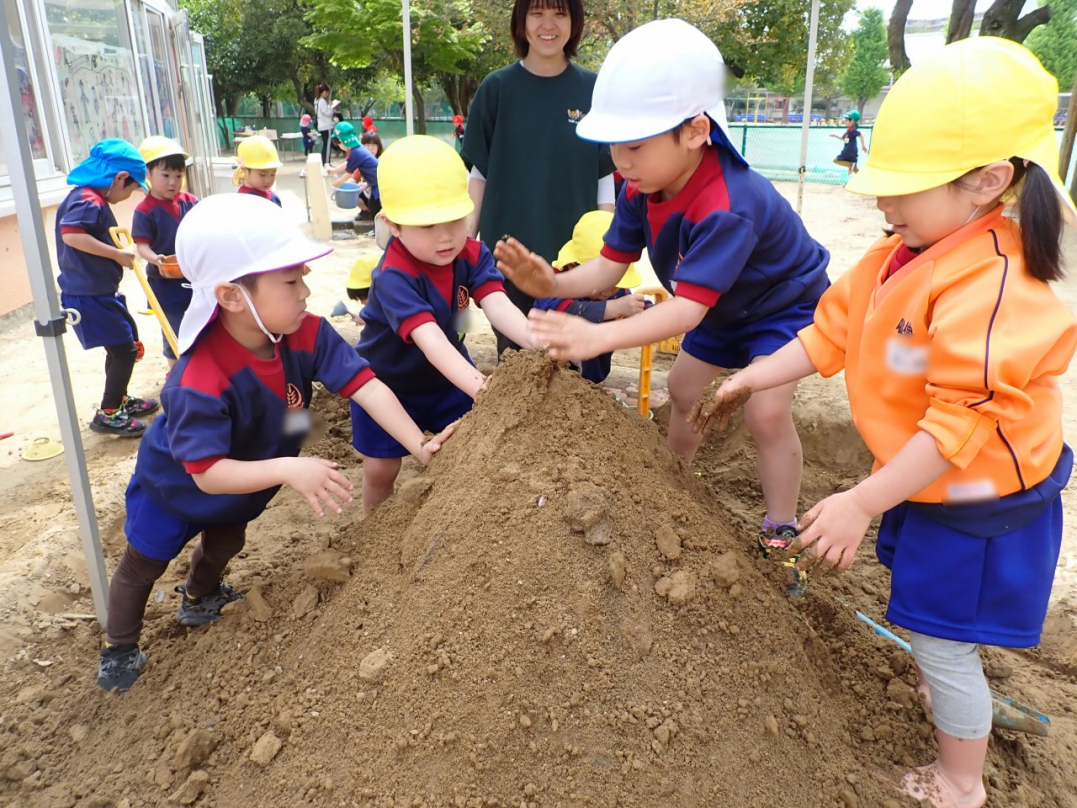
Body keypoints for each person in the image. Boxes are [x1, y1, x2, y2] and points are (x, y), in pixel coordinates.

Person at [691, 38, 1077, 808]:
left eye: (902, 188)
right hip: (924, 481)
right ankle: (951, 680)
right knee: (933, 615)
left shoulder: (994, 285)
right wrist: (752, 377)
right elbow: (827, 334)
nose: (882, 203)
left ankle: (959, 781)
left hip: (980, 503)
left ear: (986, 182)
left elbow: (956, 427)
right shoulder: (900, 251)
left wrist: (861, 501)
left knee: (938, 633)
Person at [496, 19, 830, 571]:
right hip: (721, 306)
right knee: (682, 388)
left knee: (766, 411)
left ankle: (780, 529)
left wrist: (598, 336)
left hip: (782, 306)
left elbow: (687, 310)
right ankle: (673, 487)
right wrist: (551, 284)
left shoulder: (727, 204)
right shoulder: (642, 185)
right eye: (614, 146)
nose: (620, 161)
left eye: (634, 145)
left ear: (695, 131)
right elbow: (609, 266)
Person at [96, 194, 455, 692]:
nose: (306, 291)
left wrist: (419, 445)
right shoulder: (198, 378)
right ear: (231, 296)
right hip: (175, 486)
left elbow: (368, 388)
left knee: (227, 542)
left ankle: (199, 597)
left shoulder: (306, 334)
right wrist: (288, 468)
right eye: (290, 281)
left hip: (247, 478)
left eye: (302, 276)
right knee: (145, 562)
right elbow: (206, 473)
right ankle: (119, 648)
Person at [352, 136, 535, 513]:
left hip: (446, 377)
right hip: (388, 383)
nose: (446, 236)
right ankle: (376, 532)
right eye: (427, 225)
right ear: (393, 225)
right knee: (382, 468)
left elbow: (498, 303)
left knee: (475, 441)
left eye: (454, 219)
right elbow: (431, 339)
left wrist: (537, 341)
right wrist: (483, 387)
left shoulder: (470, 253)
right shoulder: (393, 276)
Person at [463, 0, 616, 358]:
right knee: (518, 362)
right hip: (509, 256)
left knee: (577, 367)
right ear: (521, 22)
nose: (548, 24)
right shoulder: (496, 88)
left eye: (560, 14)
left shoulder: (593, 90)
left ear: (574, 23)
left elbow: (604, 178)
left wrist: (603, 255)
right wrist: (466, 248)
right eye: (537, 13)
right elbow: (479, 174)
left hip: (574, 261)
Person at [55, 138, 160, 437]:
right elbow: (71, 235)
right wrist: (116, 254)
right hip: (88, 294)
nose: (129, 195)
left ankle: (118, 399)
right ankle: (109, 411)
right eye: (132, 188)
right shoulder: (87, 199)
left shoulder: (90, 198)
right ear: (119, 178)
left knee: (119, 347)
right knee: (125, 350)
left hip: (97, 290)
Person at [532, 210, 645, 383]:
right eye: (602, 283)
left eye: (615, 283)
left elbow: (630, 308)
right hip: (548, 374)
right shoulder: (556, 281)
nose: (607, 292)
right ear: (572, 267)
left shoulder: (617, 293)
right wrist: (615, 307)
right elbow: (561, 310)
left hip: (591, 377)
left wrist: (645, 309)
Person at [132, 136, 199, 370]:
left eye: (179, 176)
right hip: (163, 282)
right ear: (148, 174)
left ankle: (200, 369)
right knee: (173, 328)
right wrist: (155, 259)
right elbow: (142, 246)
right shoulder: (144, 211)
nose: (173, 182)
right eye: (166, 175)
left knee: (199, 322)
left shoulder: (190, 202)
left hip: (193, 277)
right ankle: (175, 372)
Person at [329, 121, 380, 219]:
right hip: (375, 183)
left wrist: (337, 184)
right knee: (373, 205)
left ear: (342, 141)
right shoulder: (357, 148)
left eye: (337, 142)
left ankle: (377, 227)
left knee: (375, 207)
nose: (338, 146)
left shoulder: (355, 152)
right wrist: (334, 170)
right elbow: (347, 164)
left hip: (378, 183)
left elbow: (348, 174)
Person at [233, 135, 282, 207]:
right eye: (262, 175)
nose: (268, 180)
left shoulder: (274, 198)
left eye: (272, 174)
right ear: (244, 170)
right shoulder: (244, 201)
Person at [831, 110, 868, 179]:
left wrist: (863, 146)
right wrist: (835, 135)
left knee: (835, 160)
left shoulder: (852, 131)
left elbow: (860, 135)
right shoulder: (848, 131)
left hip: (848, 151)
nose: (845, 122)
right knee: (854, 168)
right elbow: (843, 139)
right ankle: (862, 179)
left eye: (846, 120)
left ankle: (850, 165)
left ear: (852, 121)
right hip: (853, 152)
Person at [315, 83, 335, 166]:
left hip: (322, 126)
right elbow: (327, 113)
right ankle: (326, 163)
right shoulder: (322, 101)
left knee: (325, 145)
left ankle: (325, 162)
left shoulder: (317, 101)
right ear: (324, 92)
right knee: (327, 146)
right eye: (327, 92)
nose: (327, 94)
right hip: (327, 126)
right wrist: (331, 107)